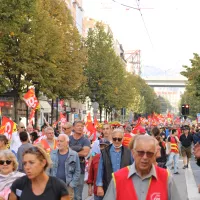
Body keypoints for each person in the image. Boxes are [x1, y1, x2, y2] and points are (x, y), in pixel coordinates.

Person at [103, 135, 181, 200]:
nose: (145, 157)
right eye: (140, 153)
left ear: (154, 156)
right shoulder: (118, 178)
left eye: (149, 154)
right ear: (133, 153)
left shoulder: (166, 177)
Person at [96, 128, 134, 197]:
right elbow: (100, 169)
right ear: (112, 138)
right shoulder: (105, 152)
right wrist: (99, 185)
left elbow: (133, 168)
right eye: (114, 139)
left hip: (124, 185)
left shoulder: (128, 152)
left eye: (119, 139)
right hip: (108, 184)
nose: (117, 141)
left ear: (122, 139)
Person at [50, 134, 80, 200]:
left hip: (68, 186)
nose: (59, 143)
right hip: (54, 186)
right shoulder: (52, 153)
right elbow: (49, 169)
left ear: (67, 143)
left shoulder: (74, 154)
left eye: (61, 141)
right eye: (58, 141)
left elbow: (77, 171)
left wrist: (72, 185)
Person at [69, 121, 90, 200]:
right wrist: (78, 151)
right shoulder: (68, 139)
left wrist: (71, 152)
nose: (80, 127)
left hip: (79, 169)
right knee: (68, 194)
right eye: (78, 126)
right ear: (73, 128)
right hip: (67, 170)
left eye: (81, 126)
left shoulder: (85, 140)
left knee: (77, 196)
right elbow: (64, 151)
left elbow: (85, 153)